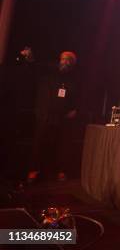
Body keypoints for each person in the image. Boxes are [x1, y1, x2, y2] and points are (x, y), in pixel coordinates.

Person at [27, 51, 79, 183]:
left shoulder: (73, 79)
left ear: (72, 64)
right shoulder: (50, 71)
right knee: (39, 142)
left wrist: (74, 109)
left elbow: (75, 97)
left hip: (62, 116)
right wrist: (31, 57)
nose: (65, 62)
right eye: (63, 59)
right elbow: (37, 66)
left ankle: (61, 171)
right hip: (45, 114)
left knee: (62, 145)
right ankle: (33, 170)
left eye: (68, 60)